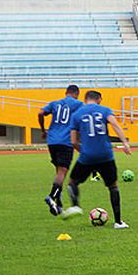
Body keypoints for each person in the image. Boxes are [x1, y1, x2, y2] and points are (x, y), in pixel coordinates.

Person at [64, 90, 131, 229]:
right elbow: (115, 125)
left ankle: (75, 205)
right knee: (113, 186)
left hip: (87, 156)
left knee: (72, 182)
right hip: (106, 155)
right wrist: (124, 142)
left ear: (85, 99)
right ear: (99, 99)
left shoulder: (77, 115)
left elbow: (73, 141)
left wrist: (84, 152)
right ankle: (118, 222)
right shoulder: (105, 110)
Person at [38, 85, 83, 216]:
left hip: (52, 141)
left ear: (66, 93)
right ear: (77, 94)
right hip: (66, 141)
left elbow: (40, 113)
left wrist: (42, 130)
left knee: (59, 171)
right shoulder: (78, 104)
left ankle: (58, 204)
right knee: (63, 172)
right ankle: (51, 197)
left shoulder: (55, 103)